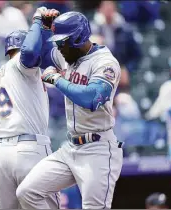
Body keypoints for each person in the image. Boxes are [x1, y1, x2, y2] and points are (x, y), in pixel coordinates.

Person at [16, 10, 123, 209]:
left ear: (79, 38)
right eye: (58, 43)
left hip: (98, 149)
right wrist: (41, 26)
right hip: (71, 147)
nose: (59, 47)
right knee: (27, 192)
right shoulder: (68, 53)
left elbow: (92, 98)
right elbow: (33, 53)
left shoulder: (105, 63)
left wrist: (57, 80)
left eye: (62, 42)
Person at [0, 8, 60, 208]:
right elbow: (30, 53)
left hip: (1, 155)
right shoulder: (22, 64)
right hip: (31, 149)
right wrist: (36, 22)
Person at [90, 1, 142, 73]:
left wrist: (126, 70)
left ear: (115, 9)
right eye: (105, 6)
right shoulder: (91, 30)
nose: (108, 8)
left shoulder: (125, 30)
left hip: (119, 73)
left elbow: (136, 56)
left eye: (110, 6)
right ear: (99, 9)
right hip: (96, 72)